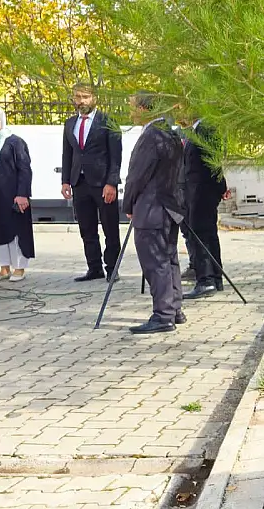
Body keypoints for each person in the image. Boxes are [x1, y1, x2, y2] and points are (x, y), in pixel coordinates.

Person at [123, 93, 186, 334]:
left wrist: (128, 205)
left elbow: (137, 176)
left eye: (133, 107)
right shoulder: (170, 132)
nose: (131, 113)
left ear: (143, 108)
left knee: (155, 263)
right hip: (169, 208)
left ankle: (163, 315)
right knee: (169, 260)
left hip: (151, 209)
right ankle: (174, 309)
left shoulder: (151, 136)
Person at [61, 81, 123, 282]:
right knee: (86, 228)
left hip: (103, 184)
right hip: (79, 183)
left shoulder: (107, 121)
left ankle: (112, 268)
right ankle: (94, 268)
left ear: (94, 98)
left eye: (85, 97)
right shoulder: (70, 123)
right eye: (77, 97)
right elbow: (67, 154)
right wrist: (65, 181)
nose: (81, 101)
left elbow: (116, 156)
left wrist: (112, 182)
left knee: (110, 228)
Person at [0, 105, 35, 281]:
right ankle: (3, 268)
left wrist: (22, 194)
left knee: (15, 231)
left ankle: (19, 268)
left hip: (12, 195)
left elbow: (25, 169)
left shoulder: (14, 142)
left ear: (1, 119)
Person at [181, 117, 230, 300]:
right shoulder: (195, 129)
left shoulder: (206, 129)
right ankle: (215, 278)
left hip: (201, 193)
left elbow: (213, 162)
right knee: (207, 235)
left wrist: (221, 186)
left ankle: (206, 280)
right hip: (197, 192)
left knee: (201, 236)